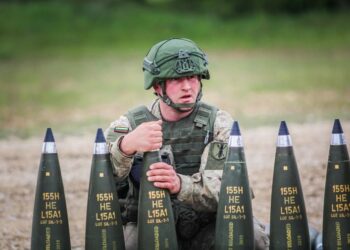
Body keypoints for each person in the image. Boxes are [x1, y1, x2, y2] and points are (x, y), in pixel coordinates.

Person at [105, 38, 269, 249]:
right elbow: (102, 181)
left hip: (208, 225)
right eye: (176, 79)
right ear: (157, 85)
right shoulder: (130, 125)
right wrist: (125, 148)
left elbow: (228, 188)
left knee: (252, 238)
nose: (187, 87)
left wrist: (180, 184)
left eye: (192, 77)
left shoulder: (218, 123)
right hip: (149, 223)